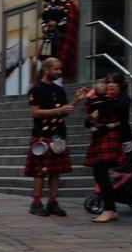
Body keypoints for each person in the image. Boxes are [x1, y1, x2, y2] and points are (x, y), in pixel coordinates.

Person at [24, 57, 87, 217]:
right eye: (56, 69)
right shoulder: (36, 88)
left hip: (58, 135)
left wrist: (76, 99)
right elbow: (35, 112)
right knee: (41, 171)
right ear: (47, 70)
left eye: (60, 69)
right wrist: (58, 111)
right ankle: (36, 203)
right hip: (42, 135)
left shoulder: (59, 90)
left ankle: (53, 202)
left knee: (56, 172)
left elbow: (66, 110)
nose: (59, 72)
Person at [85, 73, 132, 223]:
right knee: (99, 174)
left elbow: (117, 109)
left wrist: (99, 108)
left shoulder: (122, 98)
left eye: (114, 83)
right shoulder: (104, 99)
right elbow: (89, 118)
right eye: (108, 82)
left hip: (112, 139)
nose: (111, 85)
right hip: (101, 137)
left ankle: (109, 209)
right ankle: (110, 209)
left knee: (100, 173)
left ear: (120, 85)